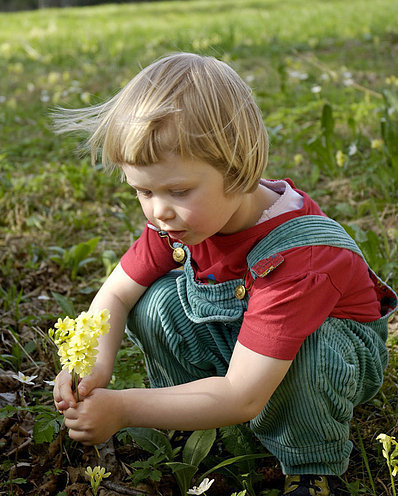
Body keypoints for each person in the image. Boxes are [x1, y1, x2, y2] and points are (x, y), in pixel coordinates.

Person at [53, 53, 397, 496]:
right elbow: (116, 294)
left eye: (178, 190)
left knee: (310, 354)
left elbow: (242, 394)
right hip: (241, 344)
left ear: (237, 171)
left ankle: (312, 468)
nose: (159, 210)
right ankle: (191, 416)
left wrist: (123, 408)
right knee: (155, 302)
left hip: (325, 358)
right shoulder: (182, 221)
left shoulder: (298, 258)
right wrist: (91, 365)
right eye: (143, 190)